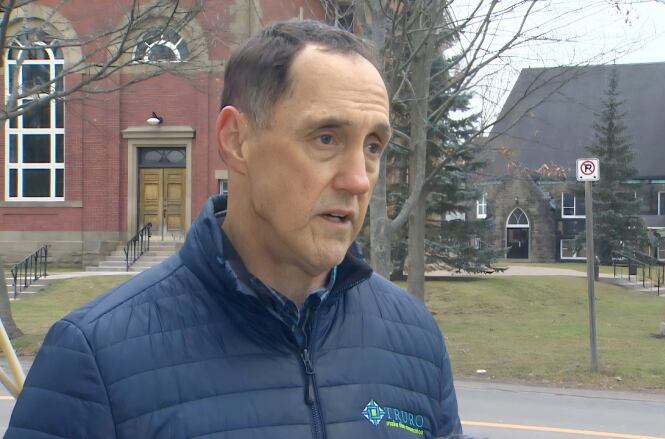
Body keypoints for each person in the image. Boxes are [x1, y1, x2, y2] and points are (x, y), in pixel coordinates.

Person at [6, 20, 461, 439]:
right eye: (326, 138)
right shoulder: (94, 359)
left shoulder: (416, 339)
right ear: (236, 141)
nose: (359, 179)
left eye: (373, 146)